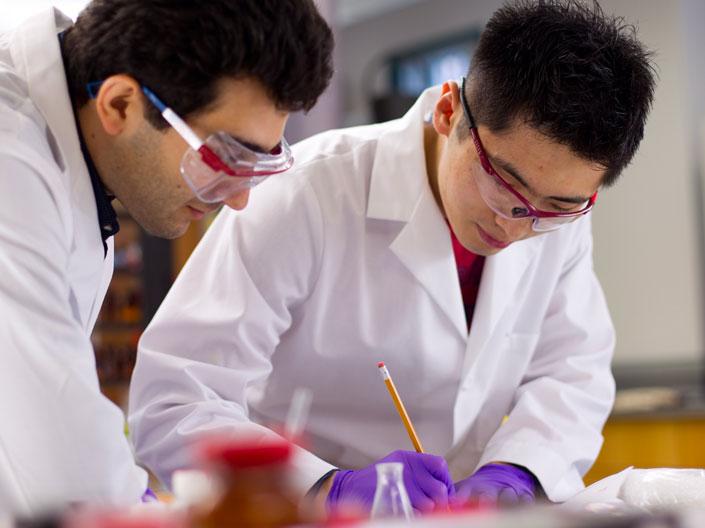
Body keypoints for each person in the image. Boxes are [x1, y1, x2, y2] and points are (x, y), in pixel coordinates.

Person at [128, 0, 655, 513]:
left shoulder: (553, 218)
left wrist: (521, 470)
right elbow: (177, 399)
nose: (515, 224)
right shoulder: (306, 193)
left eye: (558, 207)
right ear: (449, 111)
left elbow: (572, 370)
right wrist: (325, 489)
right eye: (502, 185)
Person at [0, 0, 333, 514]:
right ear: (119, 106)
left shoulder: (75, 153)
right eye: (225, 160)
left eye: (258, 165)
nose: (239, 199)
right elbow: (57, 437)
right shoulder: (11, 162)